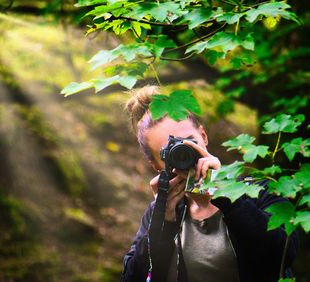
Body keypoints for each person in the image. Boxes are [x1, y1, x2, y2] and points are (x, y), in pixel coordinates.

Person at [120, 86, 299, 282]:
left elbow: (284, 255)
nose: (183, 154)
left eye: (189, 142)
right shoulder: (160, 213)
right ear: (155, 165)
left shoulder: (258, 191)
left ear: (203, 136)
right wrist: (163, 222)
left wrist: (225, 194)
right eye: (170, 151)